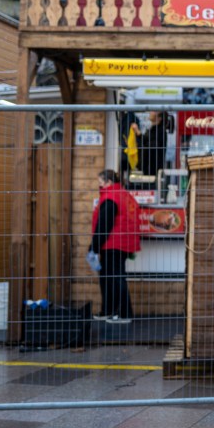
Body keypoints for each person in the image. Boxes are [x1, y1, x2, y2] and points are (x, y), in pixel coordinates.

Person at [90, 169, 140, 323]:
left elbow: (104, 225)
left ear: (108, 182)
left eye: (100, 183)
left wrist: (94, 247)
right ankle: (108, 311)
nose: (99, 186)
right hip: (119, 243)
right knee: (108, 277)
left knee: (116, 278)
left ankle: (124, 314)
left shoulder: (111, 197)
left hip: (113, 244)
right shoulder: (122, 194)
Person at [131, 111, 172, 177]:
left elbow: (150, 145)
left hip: (152, 170)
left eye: (154, 111)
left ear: (159, 118)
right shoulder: (152, 130)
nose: (151, 112)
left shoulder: (160, 131)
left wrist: (139, 133)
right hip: (146, 168)